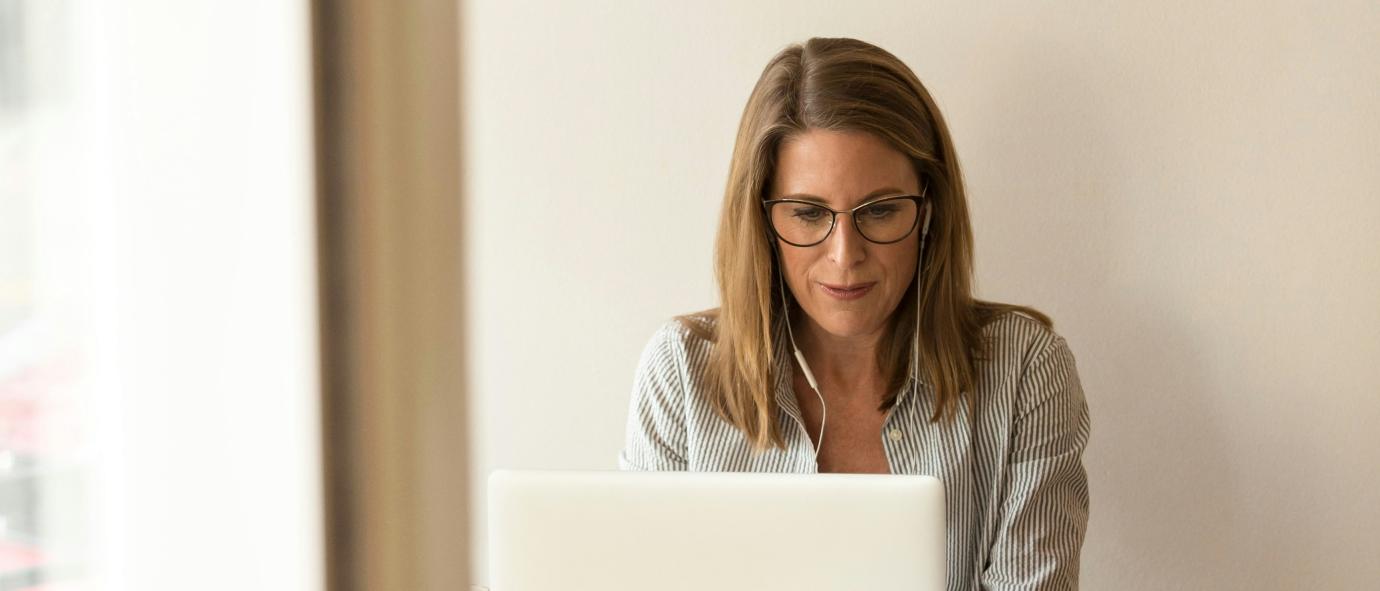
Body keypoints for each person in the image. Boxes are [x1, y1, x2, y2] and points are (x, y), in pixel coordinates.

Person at [618, 37, 1090, 590]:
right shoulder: (681, 373)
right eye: (808, 213)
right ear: (762, 220)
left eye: (881, 210)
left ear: (929, 207)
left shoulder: (1024, 370)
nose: (845, 256)